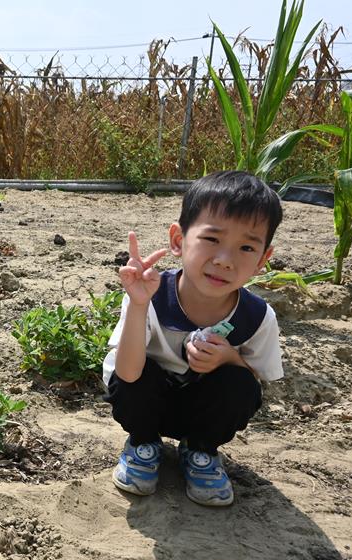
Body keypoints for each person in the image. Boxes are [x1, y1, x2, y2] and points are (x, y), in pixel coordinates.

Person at [102, 170, 283, 507]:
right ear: (178, 240)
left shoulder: (257, 317)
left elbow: (255, 382)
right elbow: (126, 374)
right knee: (136, 376)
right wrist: (139, 304)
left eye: (246, 247)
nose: (224, 260)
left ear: (262, 260)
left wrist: (229, 357)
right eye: (212, 239)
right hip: (147, 405)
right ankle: (143, 444)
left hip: (201, 411)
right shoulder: (151, 296)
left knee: (240, 383)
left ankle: (200, 451)